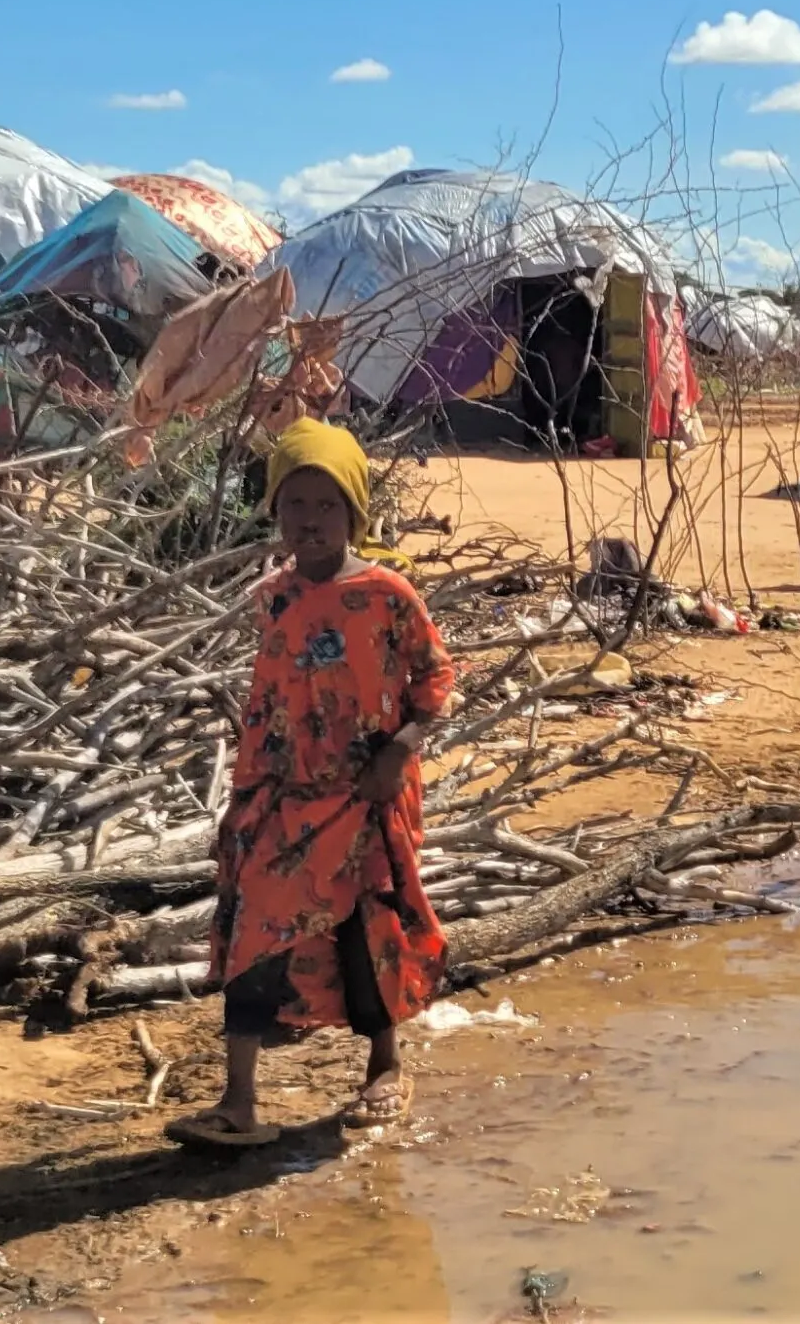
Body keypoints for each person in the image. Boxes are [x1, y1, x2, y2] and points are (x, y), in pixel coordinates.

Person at [168, 419, 455, 1149]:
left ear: (355, 511)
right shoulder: (274, 598)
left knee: (368, 930)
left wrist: (399, 751)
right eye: (295, 503)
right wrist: (246, 800)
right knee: (253, 931)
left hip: (366, 795)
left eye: (328, 504)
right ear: (275, 511)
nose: (311, 519)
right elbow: (267, 703)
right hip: (284, 798)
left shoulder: (388, 593)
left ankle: (385, 1067)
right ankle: (238, 1101)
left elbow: (436, 678)